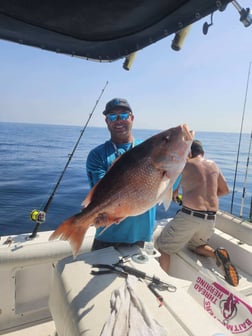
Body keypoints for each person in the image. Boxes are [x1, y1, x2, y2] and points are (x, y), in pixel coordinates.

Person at [155, 140, 239, 287]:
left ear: (189, 153)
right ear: (203, 153)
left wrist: (177, 193)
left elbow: (170, 186)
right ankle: (216, 254)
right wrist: (205, 195)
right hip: (210, 219)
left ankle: (162, 284)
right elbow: (225, 190)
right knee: (196, 246)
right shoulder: (213, 165)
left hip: (190, 216)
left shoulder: (185, 164)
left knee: (164, 246)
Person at [86, 97, 156, 250]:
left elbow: (167, 186)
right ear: (107, 121)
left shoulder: (149, 150)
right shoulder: (97, 155)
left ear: (132, 118)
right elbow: (101, 192)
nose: (118, 121)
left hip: (140, 237)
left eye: (123, 115)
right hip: (107, 237)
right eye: (112, 116)